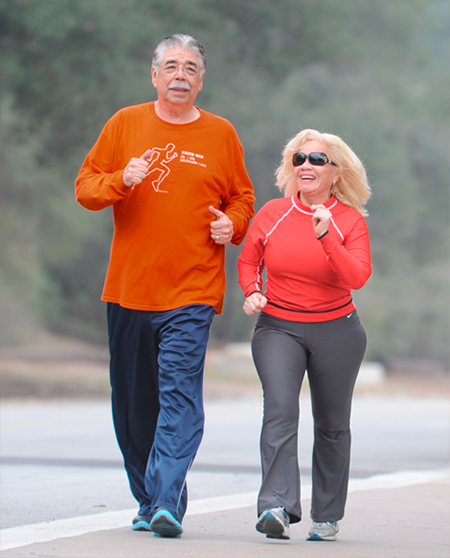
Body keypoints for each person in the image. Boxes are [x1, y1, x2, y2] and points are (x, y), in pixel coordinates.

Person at [75, 34, 255, 538]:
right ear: (154, 75)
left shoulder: (221, 134)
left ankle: (166, 501)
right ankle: (148, 497)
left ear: (201, 80)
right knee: (133, 404)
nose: (180, 75)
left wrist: (233, 225)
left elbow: (243, 196)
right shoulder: (125, 123)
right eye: (171, 65)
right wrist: (120, 180)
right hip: (129, 289)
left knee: (179, 395)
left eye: (191, 67)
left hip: (192, 290)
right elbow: (85, 187)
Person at [237, 128, 371, 542]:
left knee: (332, 425)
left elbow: (357, 276)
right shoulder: (273, 212)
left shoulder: (349, 221)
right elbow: (248, 260)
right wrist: (253, 292)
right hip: (278, 327)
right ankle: (276, 506)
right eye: (299, 158)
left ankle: (326, 515)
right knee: (280, 409)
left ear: (336, 173)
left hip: (337, 331)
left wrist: (326, 233)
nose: (306, 166)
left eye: (317, 159)